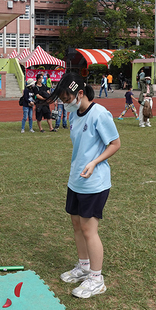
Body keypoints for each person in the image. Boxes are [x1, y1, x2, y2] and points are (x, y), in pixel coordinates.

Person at [46, 72, 120, 298]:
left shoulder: (99, 114)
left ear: (80, 93)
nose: (64, 103)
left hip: (95, 182)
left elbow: (115, 144)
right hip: (76, 180)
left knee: (89, 229)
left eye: (67, 98)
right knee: (77, 226)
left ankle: (96, 279)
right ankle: (84, 266)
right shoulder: (74, 116)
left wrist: (95, 162)